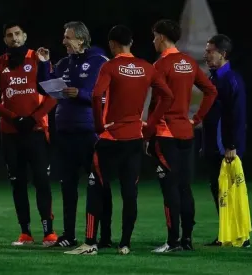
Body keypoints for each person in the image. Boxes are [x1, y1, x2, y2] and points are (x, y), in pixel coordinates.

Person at [65, 25, 174, 256]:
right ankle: (125, 244)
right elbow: (167, 95)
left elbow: (96, 95)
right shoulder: (146, 67)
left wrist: (97, 125)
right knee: (129, 192)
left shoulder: (110, 66)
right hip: (134, 138)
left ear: (113, 44)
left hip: (110, 138)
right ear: (131, 43)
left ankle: (90, 243)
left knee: (96, 188)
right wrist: (150, 125)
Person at [37, 21, 113, 248]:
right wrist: (43, 65)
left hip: (90, 133)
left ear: (80, 39)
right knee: (67, 186)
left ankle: (105, 236)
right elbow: (44, 87)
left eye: (67, 37)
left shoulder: (99, 62)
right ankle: (69, 235)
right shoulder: (63, 63)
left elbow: (101, 95)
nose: (63, 41)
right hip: (65, 133)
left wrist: (80, 93)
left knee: (98, 185)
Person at [146, 19, 218, 253]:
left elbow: (157, 102)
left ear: (162, 37)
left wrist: (148, 132)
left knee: (170, 189)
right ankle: (186, 239)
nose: (153, 40)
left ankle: (172, 241)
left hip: (166, 134)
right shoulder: (188, 62)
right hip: (186, 134)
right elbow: (210, 90)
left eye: (155, 36)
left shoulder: (161, 65)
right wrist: (195, 120)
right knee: (185, 187)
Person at [0, 21, 58, 246]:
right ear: (5, 40)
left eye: (18, 34)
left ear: (25, 36)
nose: (14, 38)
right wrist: (13, 117)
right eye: (9, 35)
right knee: (17, 183)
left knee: (42, 182)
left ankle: (49, 232)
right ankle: (25, 233)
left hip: (36, 131)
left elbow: (54, 94)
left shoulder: (39, 59)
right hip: (10, 133)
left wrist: (33, 118)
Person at [202, 34, 248, 247]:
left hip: (226, 148)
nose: (206, 54)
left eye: (210, 50)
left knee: (231, 191)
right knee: (218, 190)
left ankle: (241, 236)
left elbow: (237, 116)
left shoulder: (231, 79)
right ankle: (225, 234)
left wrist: (232, 146)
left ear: (223, 54)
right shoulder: (213, 77)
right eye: (207, 50)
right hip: (214, 145)